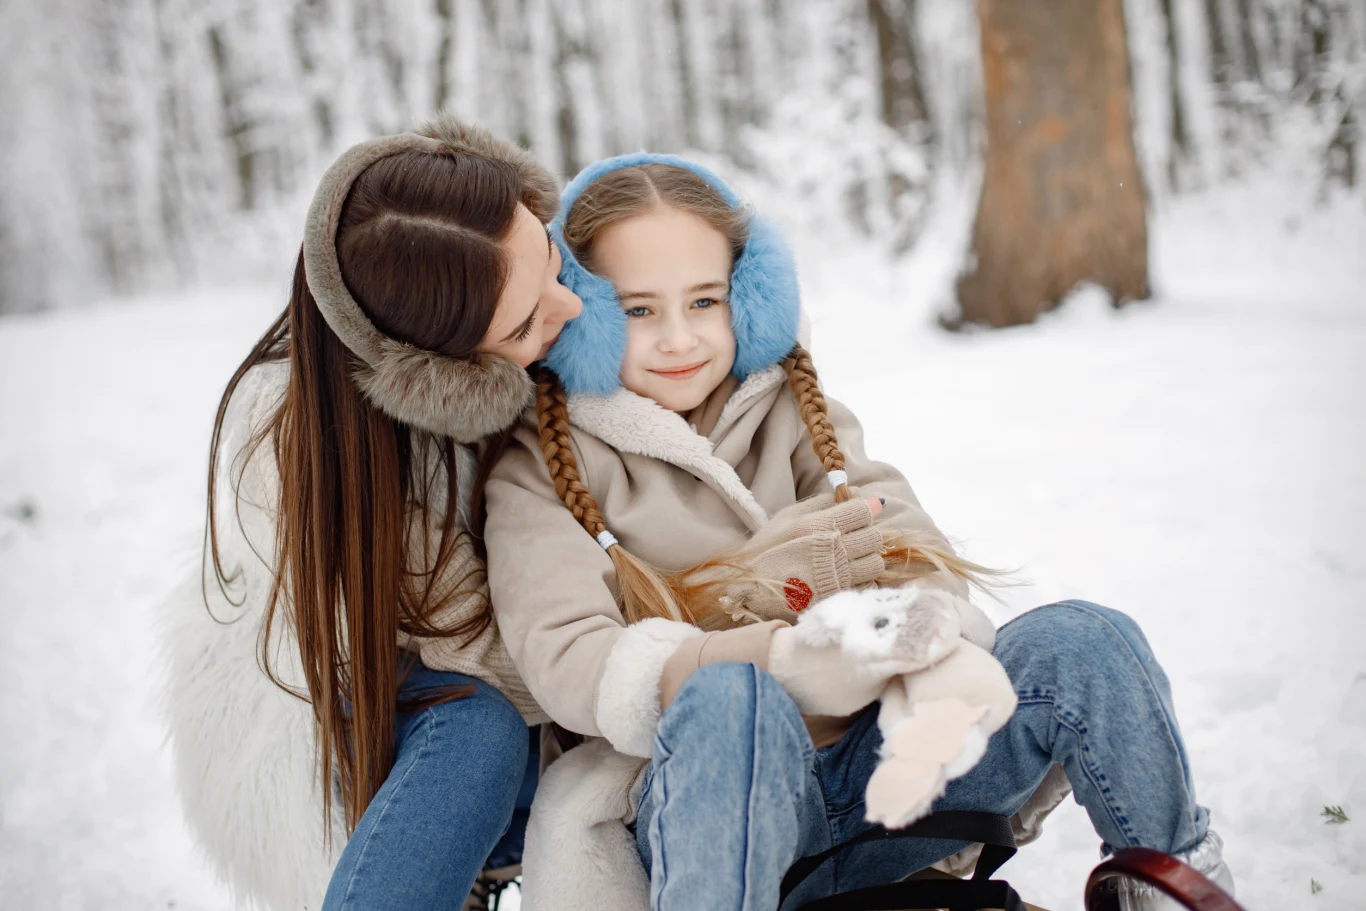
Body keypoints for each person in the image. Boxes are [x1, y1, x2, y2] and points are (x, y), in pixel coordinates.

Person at [481, 154, 1236, 911]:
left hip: (879, 775)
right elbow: (572, 659)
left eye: (705, 301)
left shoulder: (794, 409)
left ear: (751, 298)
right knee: (730, 700)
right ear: (583, 311)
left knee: (1086, 640)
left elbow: (910, 546)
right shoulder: (539, 465)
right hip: (699, 812)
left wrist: (916, 650)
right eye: (639, 310)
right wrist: (780, 658)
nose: (679, 339)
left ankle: (1169, 885)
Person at [161, 113, 584, 911]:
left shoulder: (540, 295)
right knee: (483, 726)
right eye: (526, 322)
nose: (571, 306)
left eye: (550, 253)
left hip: (532, 651)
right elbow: (485, 650)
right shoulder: (287, 450)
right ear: (439, 374)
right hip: (369, 703)